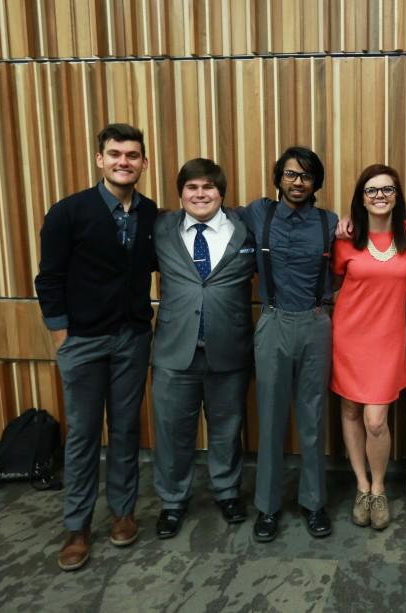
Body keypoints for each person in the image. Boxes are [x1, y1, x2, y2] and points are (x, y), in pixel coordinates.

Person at [35, 123, 157, 571]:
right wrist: (62, 335)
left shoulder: (149, 213)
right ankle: (78, 525)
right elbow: (48, 278)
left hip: (133, 337)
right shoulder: (69, 212)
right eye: (114, 154)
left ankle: (123, 512)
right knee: (84, 434)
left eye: (132, 154)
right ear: (99, 160)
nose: (123, 161)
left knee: (126, 429)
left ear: (144, 163)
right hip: (83, 341)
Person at [237, 146, 337, 543]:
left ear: (316, 183)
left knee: (312, 418)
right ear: (278, 177)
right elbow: (207, 211)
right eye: (291, 174)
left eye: (307, 176)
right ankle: (268, 506)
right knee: (272, 418)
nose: (298, 182)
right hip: (273, 321)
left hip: (315, 324)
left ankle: (313, 502)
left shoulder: (330, 223)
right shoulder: (256, 214)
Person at [151, 158, 255, 539]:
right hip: (175, 351)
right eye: (192, 187)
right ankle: (172, 501)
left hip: (229, 349)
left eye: (208, 187)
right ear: (180, 194)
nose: (200, 194)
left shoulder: (245, 228)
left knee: (227, 429)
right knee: (172, 431)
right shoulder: (161, 228)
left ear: (221, 193)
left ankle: (227, 492)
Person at [333, 164, 406, 531]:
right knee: (351, 411)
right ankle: (362, 487)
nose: (380, 196)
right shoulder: (345, 238)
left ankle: (380, 487)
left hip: (388, 340)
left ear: (398, 196)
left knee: (375, 420)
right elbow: (335, 284)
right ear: (361, 199)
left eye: (387, 189)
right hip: (349, 337)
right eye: (372, 191)